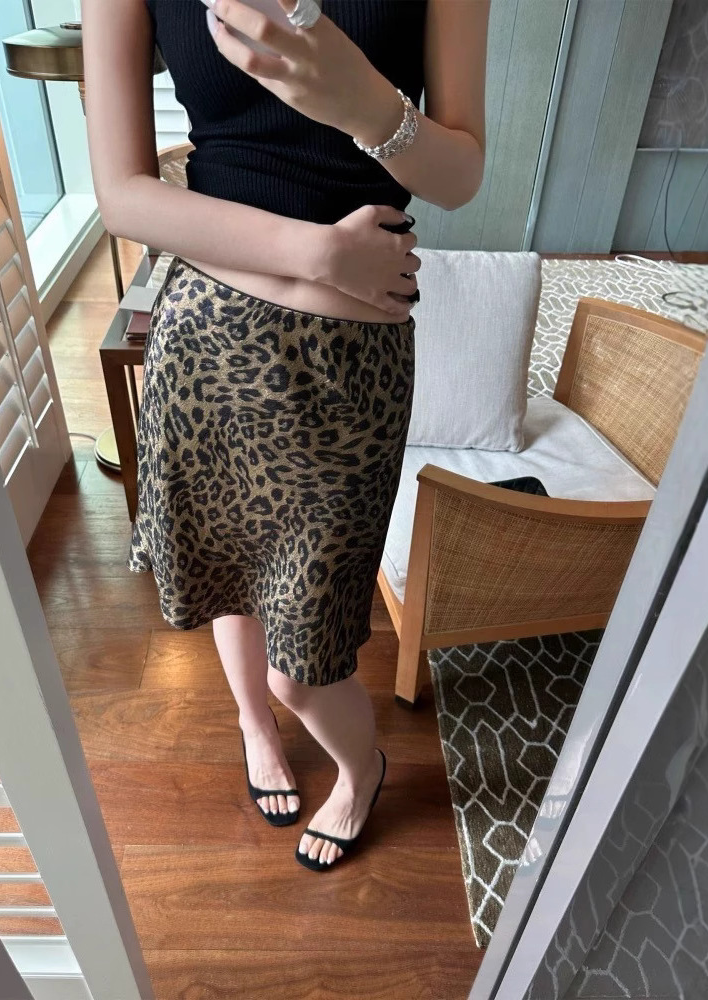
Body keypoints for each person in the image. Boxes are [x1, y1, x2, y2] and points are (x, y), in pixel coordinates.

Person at [82, 0, 488, 870]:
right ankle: (251, 726)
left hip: (350, 373)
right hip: (204, 344)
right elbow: (121, 194)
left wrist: (364, 105)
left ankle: (361, 768)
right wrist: (319, 255)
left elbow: (459, 174)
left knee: (304, 663)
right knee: (227, 580)